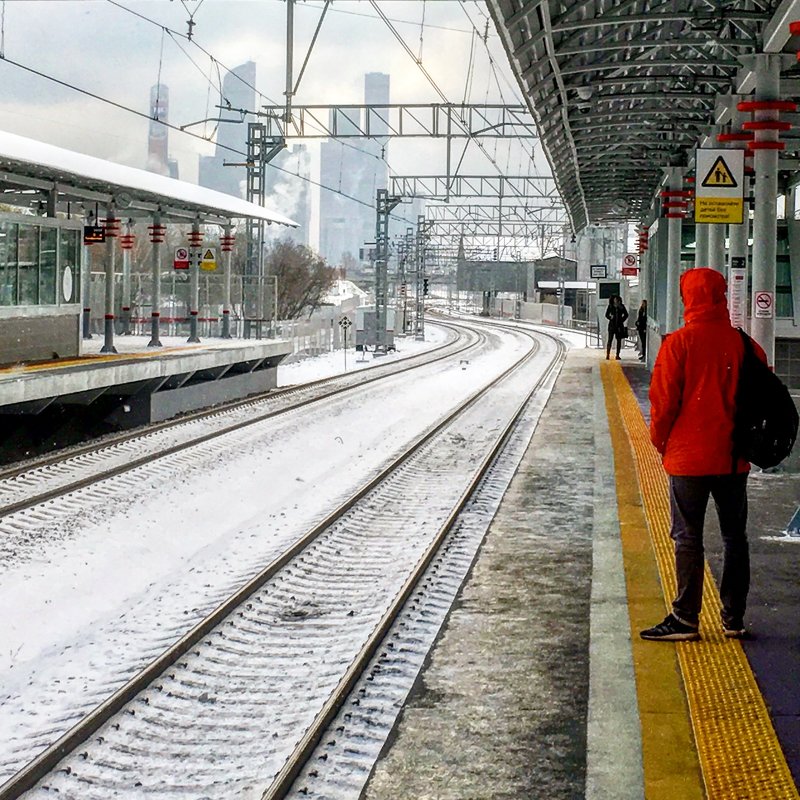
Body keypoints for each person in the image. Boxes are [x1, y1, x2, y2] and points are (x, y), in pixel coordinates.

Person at [640, 268, 767, 642]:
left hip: (688, 460)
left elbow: (663, 404)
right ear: (722, 296)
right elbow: (763, 397)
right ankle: (733, 618)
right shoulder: (745, 345)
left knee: (688, 537)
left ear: (687, 299)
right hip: (732, 460)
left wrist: (661, 443)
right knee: (734, 537)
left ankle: (685, 618)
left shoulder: (678, 344)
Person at [605, 294, 629, 360]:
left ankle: (617, 355)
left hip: (619, 326)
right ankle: (608, 354)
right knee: (610, 340)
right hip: (612, 326)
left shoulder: (621, 306)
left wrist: (622, 320)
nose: (615, 300)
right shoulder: (610, 306)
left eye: (616, 299)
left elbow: (626, 314)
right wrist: (610, 317)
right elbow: (606, 315)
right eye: (614, 299)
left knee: (619, 340)